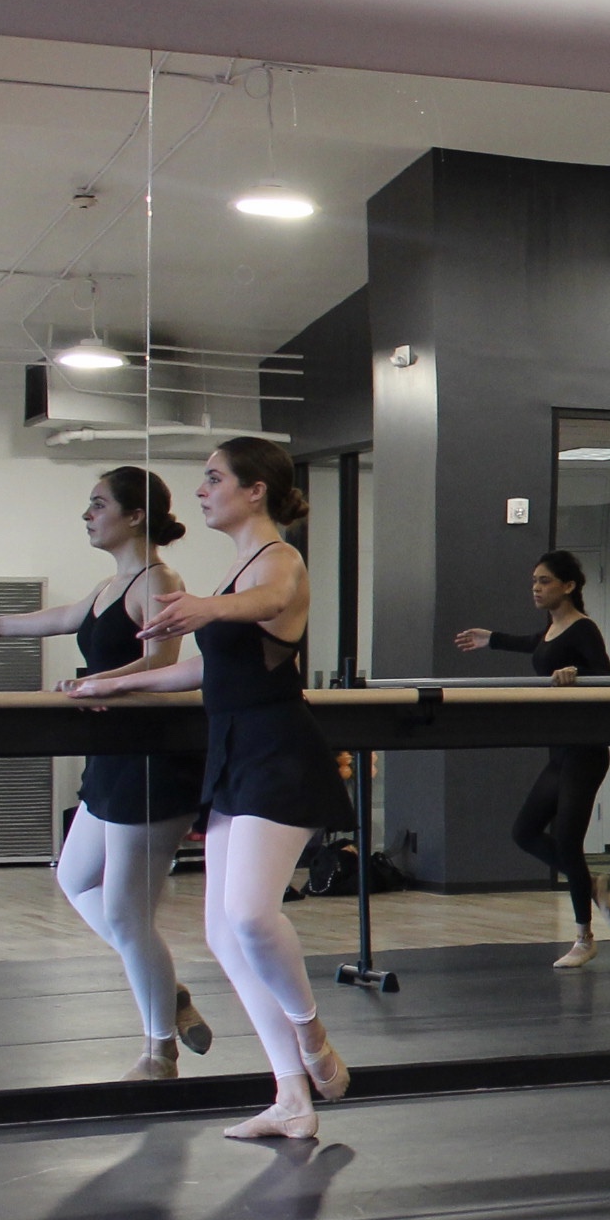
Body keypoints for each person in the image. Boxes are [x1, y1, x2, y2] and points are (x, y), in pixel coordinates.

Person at [65, 438, 355, 1142]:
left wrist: (204, 608)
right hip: (234, 756)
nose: (201, 491)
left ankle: (313, 1037)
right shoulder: (232, 574)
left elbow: (275, 600)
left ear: (255, 492)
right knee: (223, 936)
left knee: (252, 917)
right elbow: (201, 672)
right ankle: (291, 1098)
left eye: (214, 479)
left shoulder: (278, 561)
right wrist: (113, 681)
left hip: (278, 755)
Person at [0, 467, 211, 1079]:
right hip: (112, 756)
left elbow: (160, 659)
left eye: (98, 505)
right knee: (75, 878)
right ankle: (166, 992)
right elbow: (62, 617)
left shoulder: (159, 579)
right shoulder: (107, 586)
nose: (87, 516)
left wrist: (101, 682)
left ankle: (158, 1048)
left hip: (150, 759)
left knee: (123, 913)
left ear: (135, 515)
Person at [455, 548, 610, 967]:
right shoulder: (550, 629)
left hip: (585, 752)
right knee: (525, 831)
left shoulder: (583, 630)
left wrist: (577, 677)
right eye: (534, 581)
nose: (536, 587)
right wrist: (490, 638)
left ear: (568, 586)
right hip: (560, 751)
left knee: (566, 840)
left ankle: (584, 937)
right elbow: (532, 644)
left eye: (544, 581)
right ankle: (592, 883)